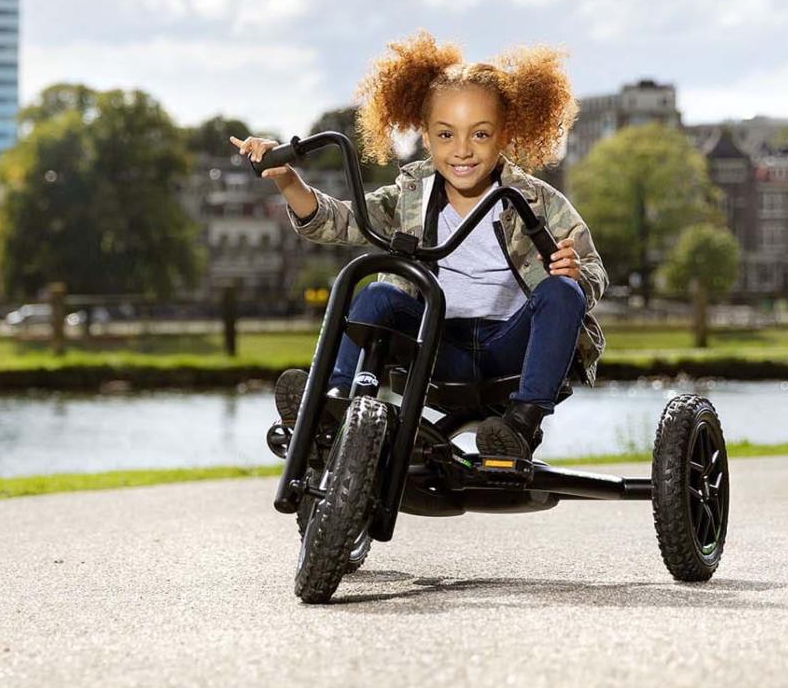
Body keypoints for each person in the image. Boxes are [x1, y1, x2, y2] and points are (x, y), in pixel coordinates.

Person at [231, 30, 606, 459]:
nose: (462, 151)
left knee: (561, 291)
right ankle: (330, 402)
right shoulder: (413, 195)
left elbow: (592, 272)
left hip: (513, 349)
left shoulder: (537, 200)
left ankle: (520, 425)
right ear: (425, 137)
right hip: (436, 346)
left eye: (480, 135)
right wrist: (287, 180)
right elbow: (341, 222)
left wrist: (574, 272)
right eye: (446, 135)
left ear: (505, 135)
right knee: (376, 293)